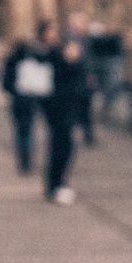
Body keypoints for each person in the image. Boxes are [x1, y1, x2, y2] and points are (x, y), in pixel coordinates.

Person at [37, 20, 81, 204]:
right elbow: (66, 74)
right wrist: (70, 59)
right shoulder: (50, 53)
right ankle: (57, 184)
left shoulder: (53, 52)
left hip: (61, 105)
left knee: (62, 145)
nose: (55, 33)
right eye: (51, 30)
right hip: (57, 106)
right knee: (62, 146)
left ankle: (56, 184)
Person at [2, 35, 50, 175]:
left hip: (17, 101)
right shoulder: (33, 61)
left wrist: (13, 91)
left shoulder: (11, 61)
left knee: (19, 131)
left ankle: (23, 160)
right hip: (29, 100)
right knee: (29, 130)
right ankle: (27, 159)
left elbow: (6, 84)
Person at [65, 11, 96, 146]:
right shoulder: (73, 39)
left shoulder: (84, 39)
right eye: (83, 23)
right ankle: (82, 135)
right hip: (78, 81)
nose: (85, 25)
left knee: (85, 109)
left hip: (83, 81)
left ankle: (87, 135)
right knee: (78, 109)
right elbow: (74, 61)